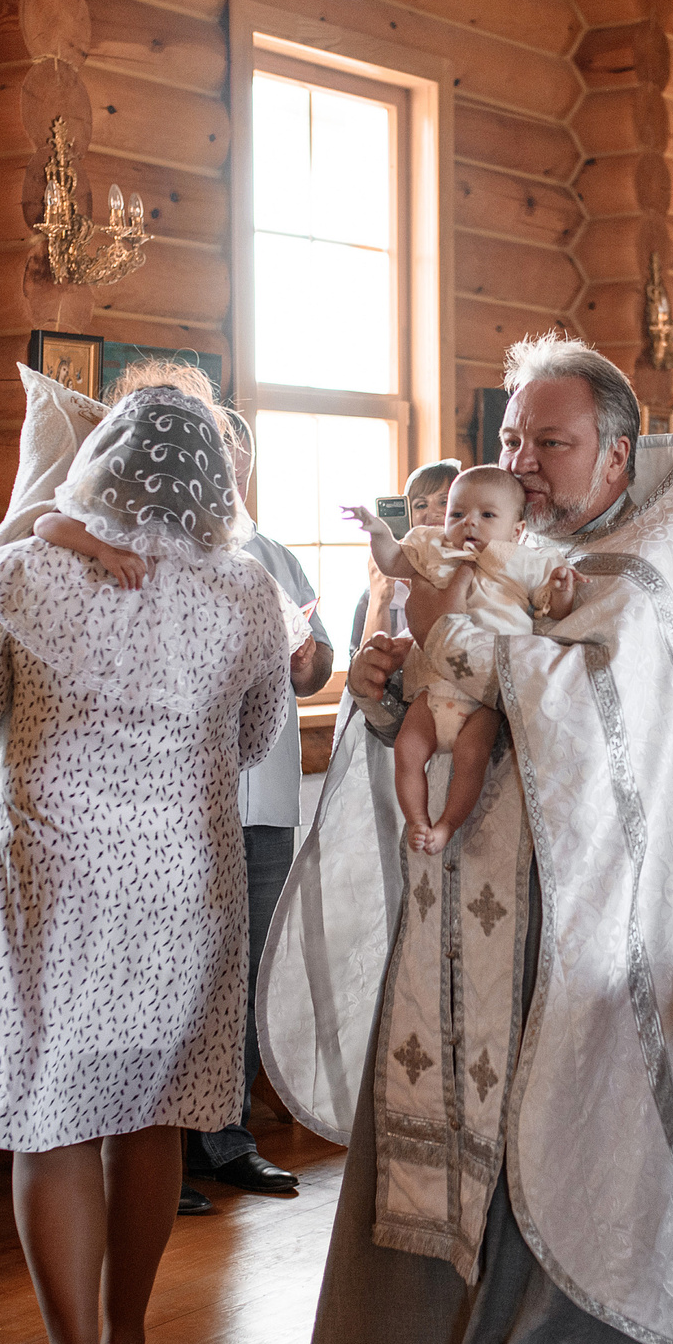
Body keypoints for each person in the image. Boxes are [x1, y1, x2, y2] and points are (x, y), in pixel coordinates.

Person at [259, 334, 673, 1344]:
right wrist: (388, 685)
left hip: (592, 925)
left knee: (569, 1141)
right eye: (510, 438)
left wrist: (470, 650)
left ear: (614, 452)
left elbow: (591, 722)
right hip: (473, 906)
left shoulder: (649, 570)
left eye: (553, 441)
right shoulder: (509, 545)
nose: (525, 460)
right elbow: (455, 689)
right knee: (472, 1147)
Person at [0, 387, 298, 1344]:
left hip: (58, 868)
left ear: (98, 463)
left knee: (55, 1119)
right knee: (156, 1111)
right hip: (186, 878)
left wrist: (29, 540)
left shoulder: (21, 572)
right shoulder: (246, 592)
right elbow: (254, 735)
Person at [186, 408, 336, 1204]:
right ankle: (158, 1147)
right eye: (213, 448)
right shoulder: (163, 551)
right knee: (180, 973)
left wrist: (310, 658)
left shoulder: (271, 552)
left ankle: (227, 1137)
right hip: (183, 801)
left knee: (248, 970)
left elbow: (316, 668)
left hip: (267, 797)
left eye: (236, 451)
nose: (227, 464)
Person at [347, 466, 578, 852]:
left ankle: (447, 825)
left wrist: (562, 591)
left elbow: (552, 613)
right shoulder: (434, 550)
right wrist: (379, 534)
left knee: (472, 757)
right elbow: (392, 562)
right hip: (431, 685)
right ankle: (418, 820)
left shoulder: (524, 563)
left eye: (487, 516)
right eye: (458, 514)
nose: (469, 522)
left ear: (517, 531)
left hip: (483, 696)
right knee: (407, 750)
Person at [350, 458, 461, 654]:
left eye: (444, 502)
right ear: (409, 516)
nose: (431, 514)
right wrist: (380, 599)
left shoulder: (476, 577)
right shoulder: (378, 589)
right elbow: (365, 673)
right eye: (420, 505)